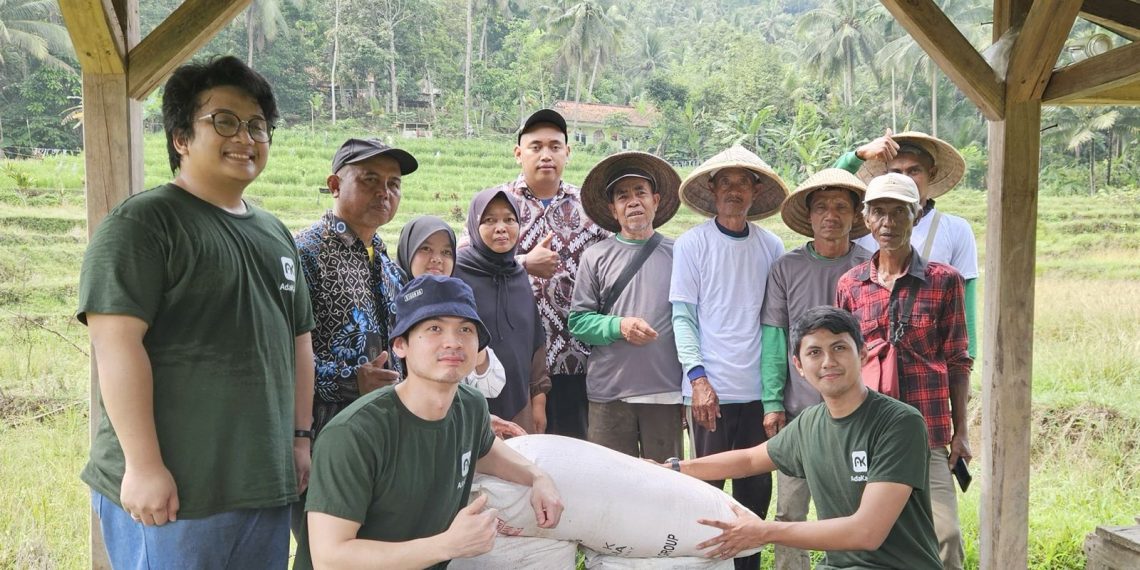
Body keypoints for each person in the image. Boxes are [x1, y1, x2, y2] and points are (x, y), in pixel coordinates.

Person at [77, 56, 314, 568]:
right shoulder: (143, 225)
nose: (246, 138)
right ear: (181, 138)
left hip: (262, 485)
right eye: (224, 121)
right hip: (176, 492)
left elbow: (298, 345)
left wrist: (299, 440)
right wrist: (143, 465)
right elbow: (115, 346)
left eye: (257, 126)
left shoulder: (275, 233)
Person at [297, 275, 564, 570]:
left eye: (465, 329)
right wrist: (447, 545)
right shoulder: (354, 434)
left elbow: (486, 452)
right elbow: (330, 558)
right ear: (401, 345)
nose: (453, 342)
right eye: (434, 328)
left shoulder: (471, 406)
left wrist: (538, 478)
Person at [663, 307, 941, 570]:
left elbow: (866, 532)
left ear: (863, 354)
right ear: (798, 365)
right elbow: (749, 459)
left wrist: (765, 532)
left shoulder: (899, 422)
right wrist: (675, 468)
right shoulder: (810, 423)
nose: (828, 362)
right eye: (814, 352)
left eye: (840, 348)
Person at [836, 173, 972, 569]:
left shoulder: (944, 281)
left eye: (900, 212)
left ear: (917, 215)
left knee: (945, 537)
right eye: (879, 212)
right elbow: (843, 366)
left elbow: (958, 360)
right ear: (866, 217)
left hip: (926, 432)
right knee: (869, 538)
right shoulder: (851, 284)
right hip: (869, 434)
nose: (888, 223)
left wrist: (960, 432)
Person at [670, 144, 788, 570]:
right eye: (726, 182)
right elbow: (683, 317)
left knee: (755, 496)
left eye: (743, 182)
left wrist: (775, 395)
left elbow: (777, 323)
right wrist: (698, 379)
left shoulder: (771, 246)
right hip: (708, 393)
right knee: (706, 497)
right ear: (712, 189)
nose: (734, 190)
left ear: (755, 192)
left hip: (757, 393)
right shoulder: (692, 244)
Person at [471, 108, 610, 440]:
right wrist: (523, 262)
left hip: (577, 360)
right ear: (519, 153)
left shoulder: (590, 208)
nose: (546, 155)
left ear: (567, 152)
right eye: (535, 147)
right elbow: (467, 263)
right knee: (517, 454)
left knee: (574, 455)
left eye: (554, 146)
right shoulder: (498, 206)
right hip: (515, 362)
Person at [760, 168, 871, 570]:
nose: (831, 215)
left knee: (854, 509)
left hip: (857, 414)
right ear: (808, 215)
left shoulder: (869, 265)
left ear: (856, 214)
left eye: (841, 206)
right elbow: (775, 338)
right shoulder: (786, 267)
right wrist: (773, 400)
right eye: (821, 206)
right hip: (800, 410)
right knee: (790, 509)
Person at [295, 138, 417, 438]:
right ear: (335, 185)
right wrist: (351, 380)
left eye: (393, 184)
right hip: (326, 436)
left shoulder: (389, 267)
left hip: (390, 433)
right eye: (370, 179)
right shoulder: (305, 254)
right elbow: (284, 354)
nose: (383, 192)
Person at [569, 151, 684, 461]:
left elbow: (692, 321)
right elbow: (578, 322)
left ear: (656, 201)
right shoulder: (596, 256)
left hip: (665, 392)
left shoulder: (680, 255)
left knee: (665, 485)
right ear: (613, 209)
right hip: (610, 394)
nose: (633, 201)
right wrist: (618, 326)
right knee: (611, 485)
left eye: (640, 193)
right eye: (623, 196)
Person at [834, 129, 979, 362]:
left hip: (926, 368)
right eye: (896, 172)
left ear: (930, 173)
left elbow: (966, 304)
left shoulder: (955, 229)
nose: (905, 179)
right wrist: (858, 155)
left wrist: (967, 361)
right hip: (872, 369)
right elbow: (828, 189)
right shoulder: (865, 227)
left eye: (914, 171)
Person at [396, 215, 526, 439]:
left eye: (446, 252)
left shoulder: (459, 301)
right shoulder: (390, 305)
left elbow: (492, 385)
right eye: (426, 248)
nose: (437, 259)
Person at [454, 189, 551, 433]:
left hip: (519, 402)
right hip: (467, 403)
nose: (501, 227)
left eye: (509, 219)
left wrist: (538, 398)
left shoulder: (517, 274)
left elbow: (533, 340)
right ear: (474, 226)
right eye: (489, 220)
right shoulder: (456, 273)